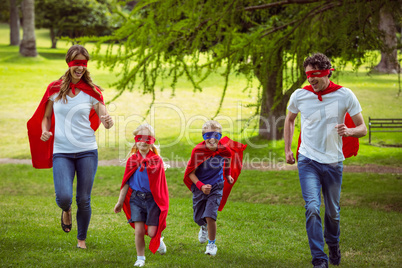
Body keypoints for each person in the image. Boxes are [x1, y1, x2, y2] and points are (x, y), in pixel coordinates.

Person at [284, 53, 367, 268]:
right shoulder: (300, 95)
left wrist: (349, 131)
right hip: (307, 160)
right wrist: (288, 149)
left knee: (333, 213)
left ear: (327, 72)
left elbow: (362, 128)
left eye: (315, 75)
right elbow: (290, 119)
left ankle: (333, 244)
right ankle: (319, 259)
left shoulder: (345, 95)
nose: (311, 79)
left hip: (333, 162)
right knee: (312, 207)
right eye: (308, 75)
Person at [27, 44, 114, 249]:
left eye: (83, 63)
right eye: (76, 63)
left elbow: (104, 118)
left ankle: (81, 239)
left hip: (87, 150)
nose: (80, 67)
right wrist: (44, 130)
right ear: (69, 64)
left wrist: (108, 122)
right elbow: (46, 116)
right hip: (62, 152)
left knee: (84, 199)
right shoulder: (54, 89)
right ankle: (66, 210)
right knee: (64, 196)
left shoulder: (93, 92)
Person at [183, 120, 247, 256]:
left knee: (210, 215)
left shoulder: (224, 149)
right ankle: (203, 226)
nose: (212, 139)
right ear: (203, 136)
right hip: (200, 187)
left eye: (216, 136)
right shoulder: (198, 151)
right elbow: (190, 173)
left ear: (220, 136)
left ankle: (212, 245)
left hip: (217, 186)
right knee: (198, 217)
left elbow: (228, 158)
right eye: (208, 136)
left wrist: (228, 174)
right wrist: (200, 186)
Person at [114, 124, 169, 267]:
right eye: (139, 138)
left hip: (152, 200)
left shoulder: (157, 161)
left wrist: (161, 202)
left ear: (152, 141)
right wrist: (120, 202)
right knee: (139, 230)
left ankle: (159, 239)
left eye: (147, 139)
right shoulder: (132, 160)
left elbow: (160, 185)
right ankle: (140, 258)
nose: (142, 142)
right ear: (135, 140)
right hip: (136, 199)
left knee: (151, 233)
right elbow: (126, 182)